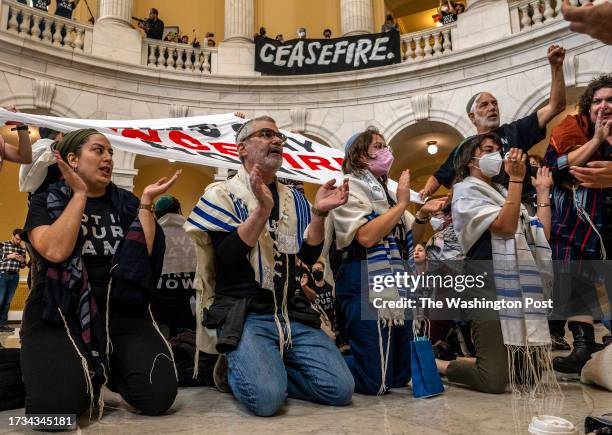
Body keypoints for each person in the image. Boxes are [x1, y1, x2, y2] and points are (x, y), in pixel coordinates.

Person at [184, 116, 354, 417]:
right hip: (247, 314)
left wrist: (318, 213)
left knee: (340, 390)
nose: (277, 141)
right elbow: (227, 256)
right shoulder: (221, 194)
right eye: (266, 134)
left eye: (279, 137)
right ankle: (235, 368)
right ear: (242, 148)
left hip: (291, 313)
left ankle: (271, 365)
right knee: (266, 402)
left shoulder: (293, 199)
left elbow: (307, 254)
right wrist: (261, 212)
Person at [20, 129, 179, 421]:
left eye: (110, 153)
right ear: (73, 160)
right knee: (54, 414)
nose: (108, 158)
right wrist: (79, 194)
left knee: (157, 397)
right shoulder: (46, 201)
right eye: (98, 150)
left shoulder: (127, 203)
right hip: (60, 311)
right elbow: (55, 252)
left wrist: (145, 203)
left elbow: (143, 258)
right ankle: (72, 371)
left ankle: (104, 367)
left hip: (120, 310)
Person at [330, 126, 446, 395]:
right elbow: (367, 237)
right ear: (360, 157)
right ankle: (325, 363)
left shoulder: (387, 195)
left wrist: (423, 216)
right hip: (362, 278)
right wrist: (402, 205)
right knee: (374, 382)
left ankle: (363, 359)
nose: (387, 152)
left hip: (395, 282)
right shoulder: (348, 188)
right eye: (378, 147)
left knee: (397, 376)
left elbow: (409, 237)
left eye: (386, 146)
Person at [439, 133, 557, 395]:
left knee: (529, 376)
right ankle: (442, 364)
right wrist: (516, 178)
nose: (498, 154)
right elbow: (504, 228)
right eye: (489, 149)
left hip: (519, 286)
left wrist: (542, 192)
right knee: (493, 381)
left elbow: (541, 234)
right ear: (472, 159)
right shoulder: (465, 191)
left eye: (498, 149)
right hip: (486, 285)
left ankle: (489, 359)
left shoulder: (503, 193)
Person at [419, 45, 567, 201]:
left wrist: (556, 67)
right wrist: (426, 192)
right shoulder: (464, 148)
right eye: (484, 105)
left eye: (494, 103)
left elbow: (556, 106)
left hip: (525, 207)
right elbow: (438, 177)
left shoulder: (515, 131)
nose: (492, 108)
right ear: (472, 116)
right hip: (489, 211)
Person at [543, 74, 611, 374]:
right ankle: (582, 347)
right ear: (588, 106)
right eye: (597, 100)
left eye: (610, 100)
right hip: (575, 224)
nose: (604, 105)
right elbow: (556, 168)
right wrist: (595, 140)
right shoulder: (571, 130)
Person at [151, 195, 197, 338]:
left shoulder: (152, 233)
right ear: (179, 210)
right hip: (189, 299)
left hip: (159, 300)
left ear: (156, 215)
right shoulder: (195, 232)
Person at [19, 127, 63, 198]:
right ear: (60, 133)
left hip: (34, 196)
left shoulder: (32, 148)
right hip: (50, 197)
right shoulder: (55, 148)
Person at [0, 229, 27, 332]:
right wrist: (8, 256)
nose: (18, 241)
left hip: (15, 276)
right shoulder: (3, 245)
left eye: (20, 240)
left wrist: (22, 261)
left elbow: (23, 266)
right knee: (0, 300)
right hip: (3, 275)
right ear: (13, 236)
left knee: (7, 301)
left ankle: (3, 324)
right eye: (17, 239)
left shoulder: (21, 249)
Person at [300, 261, 335, 327]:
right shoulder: (309, 289)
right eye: (314, 270)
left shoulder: (330, 287)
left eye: (319, 269)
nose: (316, 271)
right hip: (318, 323)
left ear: (323, 270)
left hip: (332, 321)